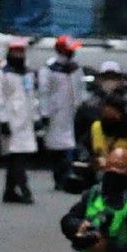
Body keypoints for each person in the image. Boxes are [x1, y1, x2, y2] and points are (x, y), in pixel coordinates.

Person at [0, 37, 40, 204]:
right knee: (16, 156)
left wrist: (36, 117)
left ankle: (9, 191)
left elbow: (31, 96)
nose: (18, 55)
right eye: (15, 51)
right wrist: (2, 121)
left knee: (18, 155)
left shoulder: (28, 73)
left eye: (21, 51)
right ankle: (24, 189)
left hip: (25, 120)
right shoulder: (0, 73)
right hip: (10, 120)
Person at [41, 36, 84, 184]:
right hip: (56, 113)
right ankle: (59, 174)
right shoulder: (50, 69)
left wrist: (81, 105)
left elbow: (80, 89)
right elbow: (44, 92)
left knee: (69, 143)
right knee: (57, 146)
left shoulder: (75, 68)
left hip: (71, 111)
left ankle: (67, 173)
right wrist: (44, 113)